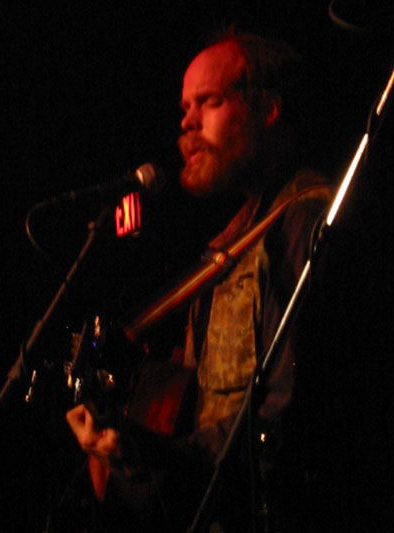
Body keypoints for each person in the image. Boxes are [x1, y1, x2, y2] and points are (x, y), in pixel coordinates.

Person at [64, 31, 331, 532]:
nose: (187, 122)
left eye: (208, 101)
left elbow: (286, 419)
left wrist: (154, 454)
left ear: (267, 109)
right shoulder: (230, 243)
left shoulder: (304, 219)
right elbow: (199, 401)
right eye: (185, 107)